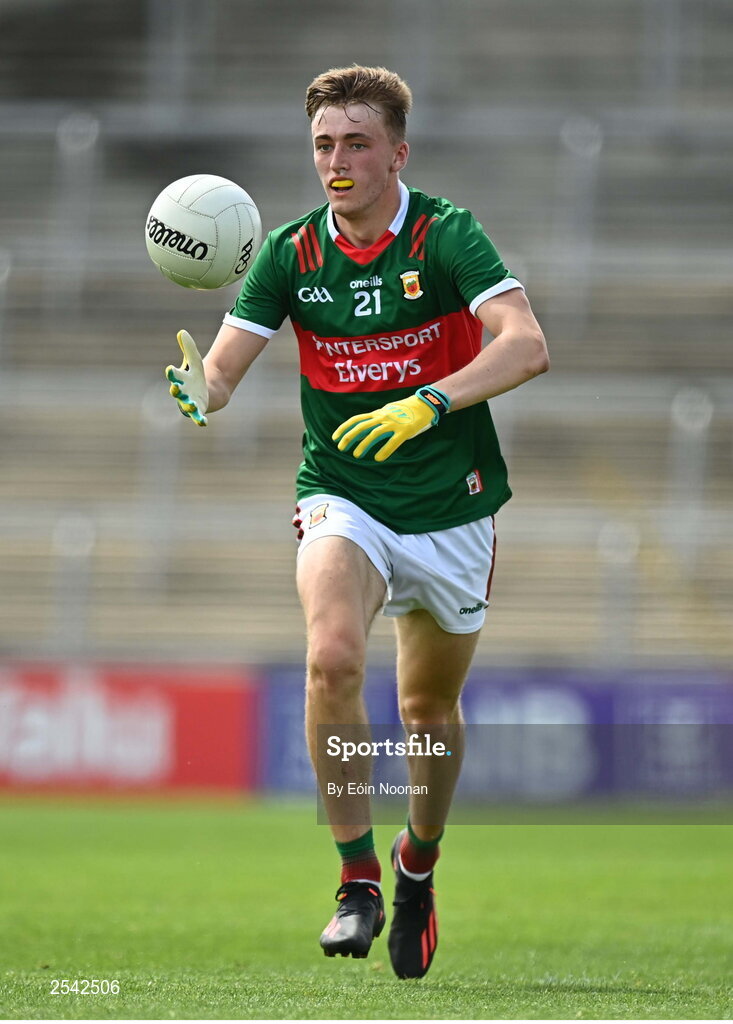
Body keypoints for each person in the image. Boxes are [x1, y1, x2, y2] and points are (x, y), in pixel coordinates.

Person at [165, 64, 548, 979]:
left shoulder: (445, 235)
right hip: (344, 495)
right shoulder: (290, 253)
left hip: (452, 505)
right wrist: (197, 389)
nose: (335, 162)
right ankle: (357, 881)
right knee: (331, 656)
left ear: (396, 153)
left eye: (355, 144)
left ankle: (418, 865)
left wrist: (430, 403)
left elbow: (526, 345)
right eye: (323, 146)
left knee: (427, 710)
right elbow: (220, 372)